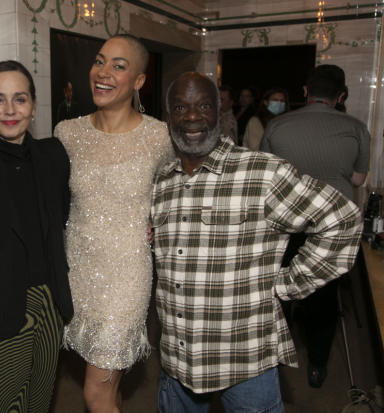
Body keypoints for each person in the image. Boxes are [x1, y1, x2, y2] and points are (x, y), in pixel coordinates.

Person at [152, 72, 362, 412]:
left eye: (204, 105)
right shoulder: (162, 181)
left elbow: (343, 220)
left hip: (246, 358)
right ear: (168, 117)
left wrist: (286, 285)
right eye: (180, 107)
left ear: (220, 113)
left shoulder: (262, 173)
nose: (192, 116)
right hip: (179, 361)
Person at [54, 34, 173, 413]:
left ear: (138, 80)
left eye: (119, 66)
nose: (103, 73)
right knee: (109, 388)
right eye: (99, 61)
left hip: (126, 276)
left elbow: (178, 195)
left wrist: (162, 221)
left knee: (95, 393)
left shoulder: (160, 138)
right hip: (78, 271)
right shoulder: (67, 133)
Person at [0, 60, 73, 413]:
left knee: (38, 402)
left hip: (51, 302)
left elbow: (62, 217)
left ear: (33, 105)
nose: (9, 110)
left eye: (19, 99)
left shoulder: (53, 155)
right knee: (4, 407)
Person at [260, 64, 371, 388]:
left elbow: (264, 177)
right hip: (330, 231)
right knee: (322, 298)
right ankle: (317, 367)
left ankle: (271, 361)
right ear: (340, 96)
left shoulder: (278, 125)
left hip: (284, 226)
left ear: (305, 92)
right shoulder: (357, 128)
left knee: (278, 292)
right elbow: (358, 179)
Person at [243, 87, 290, 151]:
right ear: (266, 102)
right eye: (275, 100)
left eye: (282, 101)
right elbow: (255, 148)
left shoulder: (288, 121)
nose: (279, 104)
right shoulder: (255, 122)